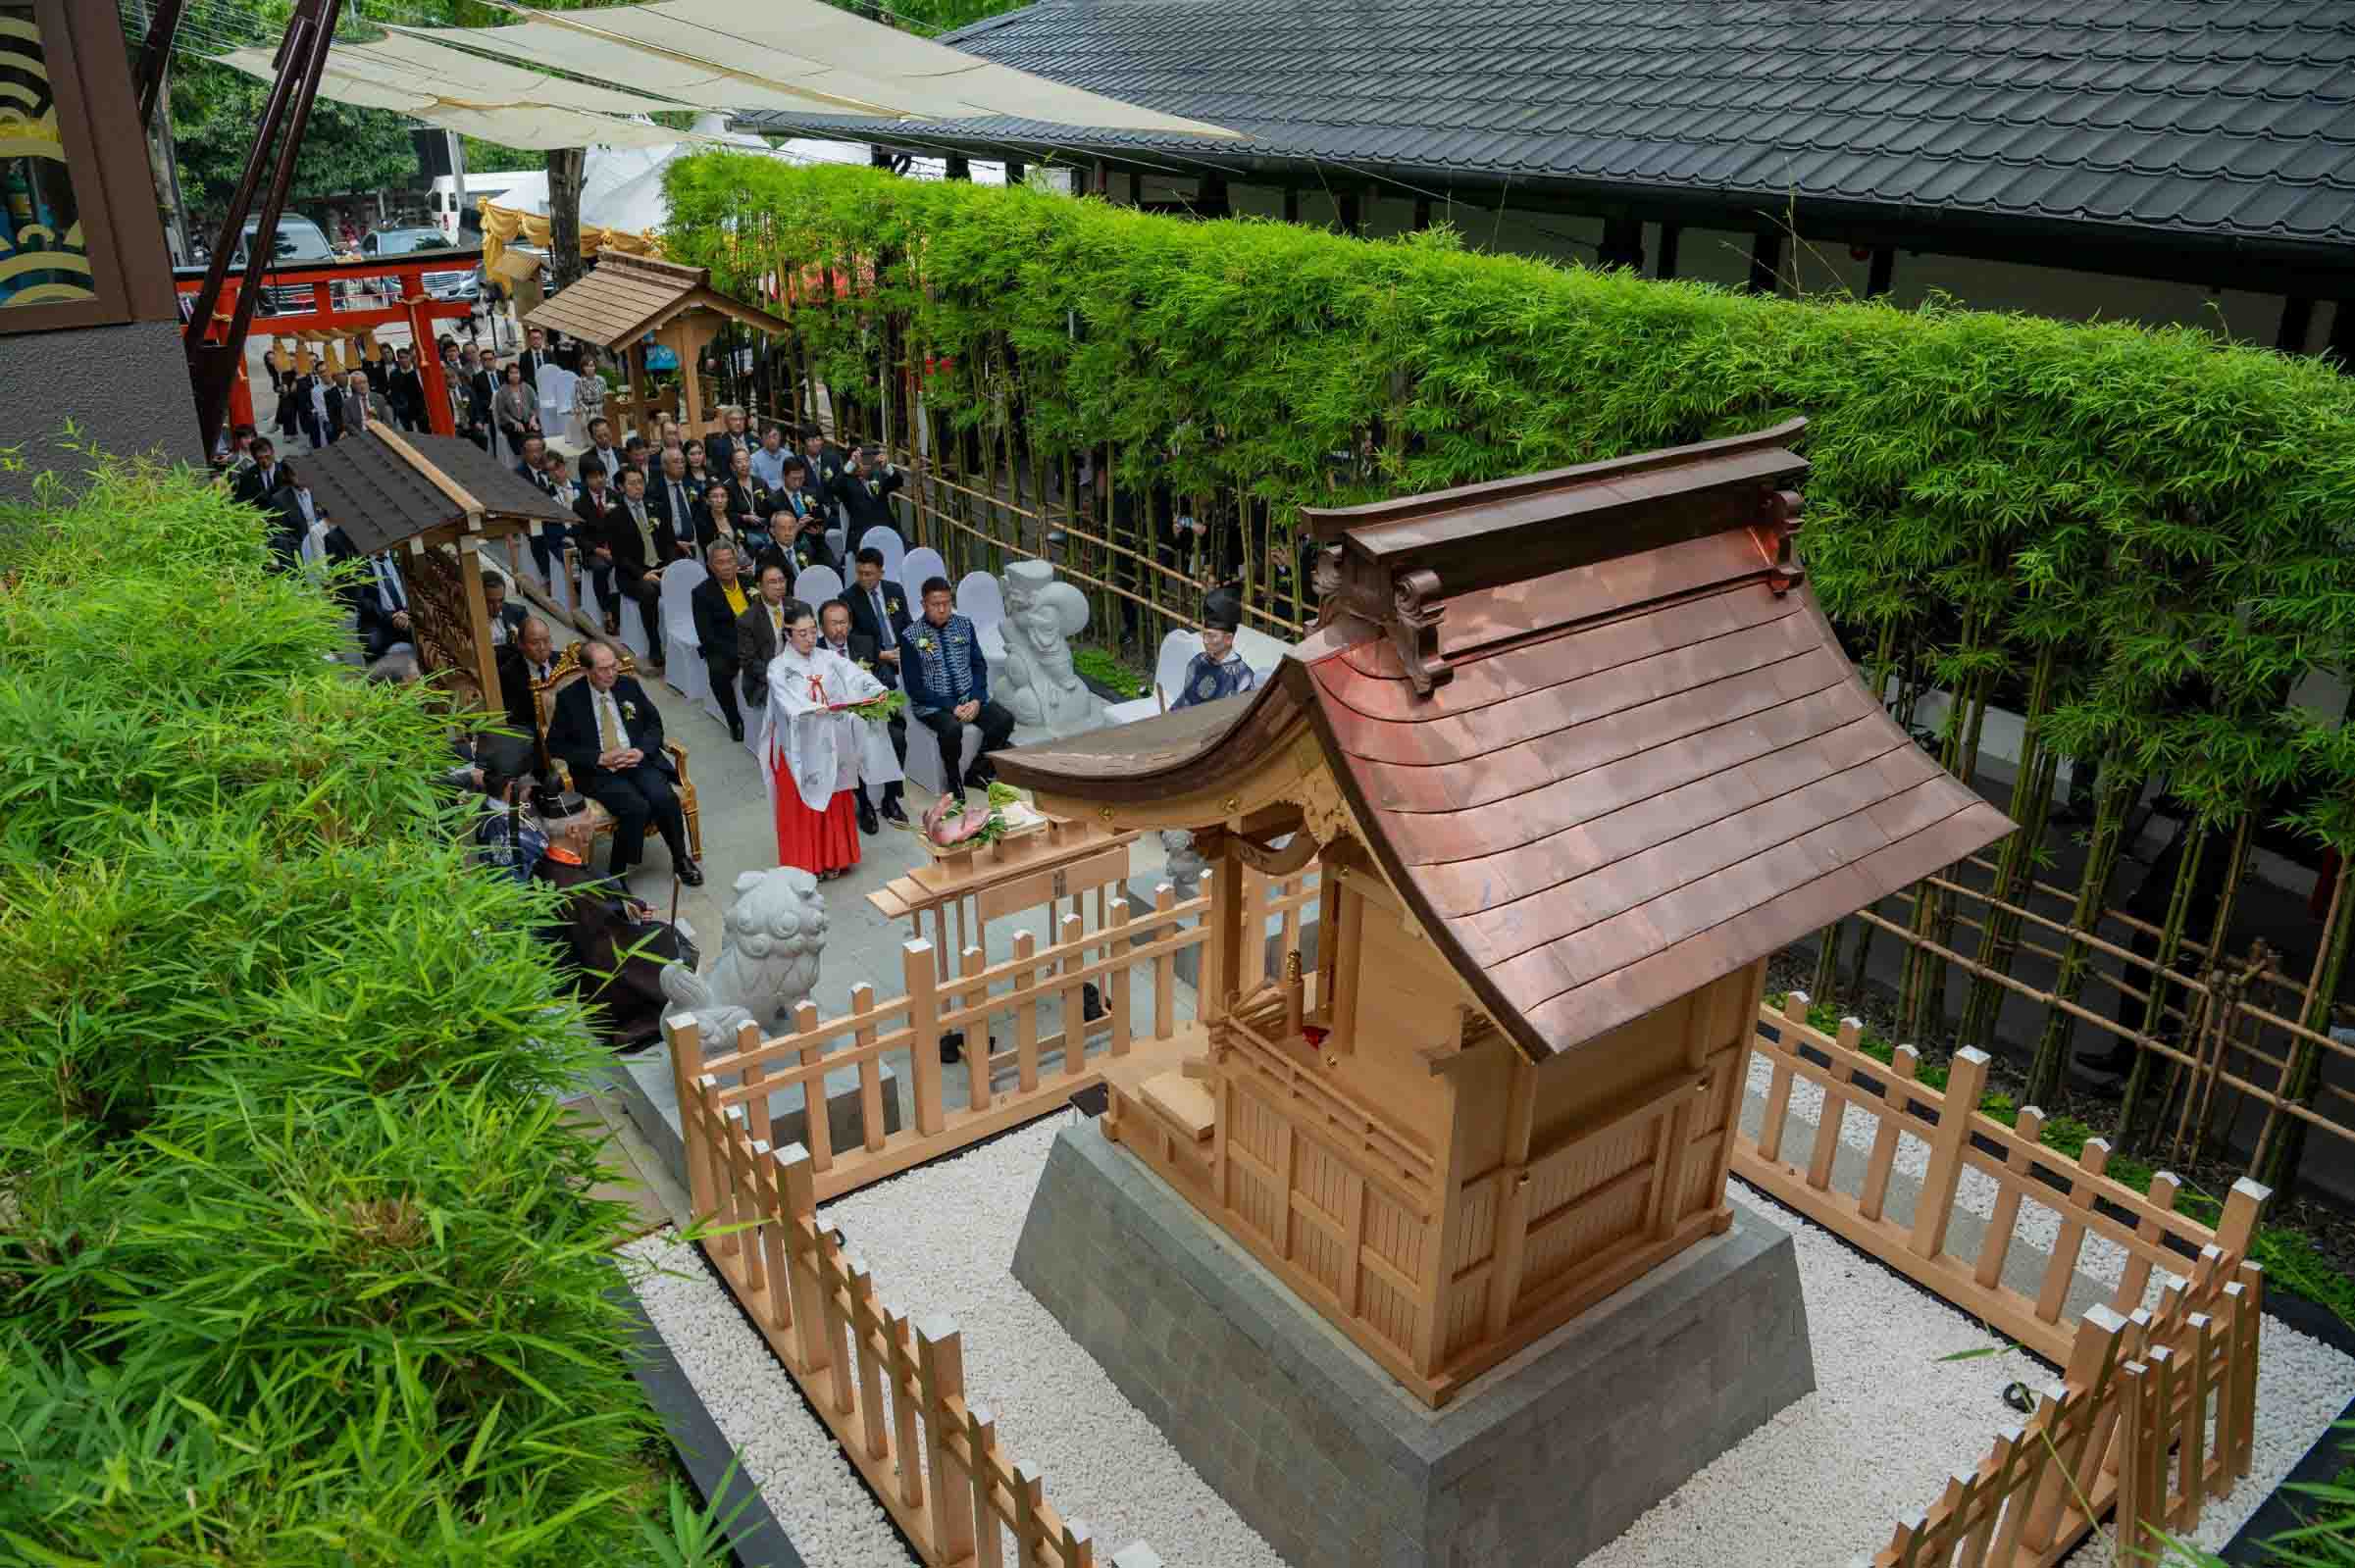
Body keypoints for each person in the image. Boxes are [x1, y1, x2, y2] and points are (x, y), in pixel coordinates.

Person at [531, 802, 692, 1049]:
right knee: (664, 938)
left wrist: (627, 905)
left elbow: (600, 898)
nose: (594, 823)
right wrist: (637, 925)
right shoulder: (573, 888)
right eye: (589, 819)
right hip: (594, 965)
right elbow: (605, 939)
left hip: (586, 942)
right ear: (573, 831)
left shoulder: (546, 865)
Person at [545, 639, 701, 885]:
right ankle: (616, 873)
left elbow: (654, 724)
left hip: (636, 760)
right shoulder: (569, 698)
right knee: (635, 807)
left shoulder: (628, 685)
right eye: (603, 669)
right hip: (598, 771)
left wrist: (640, 751)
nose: (611, 673)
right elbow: (555, 745)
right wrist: (598, 757)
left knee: (665, 797)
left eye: (613, 666)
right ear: (586, 671)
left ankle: (680, 859)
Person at [766, 599, 887, 880]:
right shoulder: (778, 667)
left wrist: (876, 690)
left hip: (831, 740)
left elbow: (855, 676)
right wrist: (813, 709)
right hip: (800, 746)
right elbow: (786, 701)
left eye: (813, 631)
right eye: (802, 633)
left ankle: (836, 858)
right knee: (805, 802)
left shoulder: (828, 657)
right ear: (787, 634)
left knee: (834, 797)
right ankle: (806, 864)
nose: (810, 638)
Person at [900, 576, 1014, 801]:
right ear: (924, 604)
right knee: (952, 729)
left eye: (946, 603)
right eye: (936, 604)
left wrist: (976, 699)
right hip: (933, 705)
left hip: (968, 697)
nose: (942, 609)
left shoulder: (964, 625)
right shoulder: (910, 636)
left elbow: (979, 665)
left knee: (1004, 720)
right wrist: (952, 707)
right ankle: (954, 779)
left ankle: (977, 770)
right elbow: (915, 688)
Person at [821, 596, 908, 832]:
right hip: (839, 719)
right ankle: (864, 803)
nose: (839, 629)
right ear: (822, 626)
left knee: (897, 737)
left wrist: (880, 696)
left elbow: (883, 676)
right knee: (849, 744)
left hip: (872, 712)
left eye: (843, 623)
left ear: (850, 624)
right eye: (833, 624)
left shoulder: (864, 643)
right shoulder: (817, 653)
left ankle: (890, 798)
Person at [597, 467, 666, 661]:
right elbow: (619, 556)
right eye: (632, 483)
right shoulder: (614, 516)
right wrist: (642, 574)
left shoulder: (656, 507)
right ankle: (655, 644)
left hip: (660, 567)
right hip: (631, 574)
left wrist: (669, 566)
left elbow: (668, 542)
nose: (638, 487)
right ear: (621, 487)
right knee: (649, 592)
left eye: (640, 482)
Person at [691, 540, 752, 742]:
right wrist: (739, 651)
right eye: (720, 562)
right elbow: (706, 636)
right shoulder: (701, 593)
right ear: (710, 565)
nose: (726, 566)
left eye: (730, 560)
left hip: (755, 640)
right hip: (725, 646)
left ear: (736, 562)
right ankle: (734, 720)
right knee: (718, 672)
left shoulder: (749, 582)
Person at [1170, 587, 1256, 709]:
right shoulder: (1198, 662)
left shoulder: (1242, 676)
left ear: (1228, 639)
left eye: (1212, 636)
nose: (1205, 641)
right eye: (1204, 635)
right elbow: (1185, 700)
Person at [494, 614, 559, 772]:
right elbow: (515, 721)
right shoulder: (508, 674)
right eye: (535, 643)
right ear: (521, 644)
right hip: (537, 742)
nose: (542, 647)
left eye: (546, 640)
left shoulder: (563, 661)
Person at [844, 546, 911, 682]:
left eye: (868, 574)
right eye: (859, 573)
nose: (863, 578)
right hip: (875, 655)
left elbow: (907, 622)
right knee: (888, 682)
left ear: (881, 573)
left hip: (900, 649)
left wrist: (906, 648)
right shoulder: (848, 598)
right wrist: (879, 654)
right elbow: (851, 637)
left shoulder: (895, 590)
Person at [737, 560, 794, 710]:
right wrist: (778, 677)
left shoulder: (798, 607)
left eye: (781, 580)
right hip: (765, 679)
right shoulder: (747, 620)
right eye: (772, 582)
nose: (779, 586)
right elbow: (749, 661)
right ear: (759, 586)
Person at [836, 442, 906, 555]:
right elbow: (836, 487)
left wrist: (886, 466)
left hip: (888, 532)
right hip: (862, 536)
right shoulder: (847, 483)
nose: (867, 463)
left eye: (869, 459)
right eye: (862, 459)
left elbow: (898, 481)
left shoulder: (878, 476)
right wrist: (851, 463)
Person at [649, 449, 708, 561]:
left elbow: (701, 513)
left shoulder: (692, 485)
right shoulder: (654, 490)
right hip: (669, 546)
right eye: (676, 462)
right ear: (664, 466)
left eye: (682, 461)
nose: (681, 465)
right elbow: (653, 525)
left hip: (695, 543)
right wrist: (673, 542)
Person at [721, 447, 775, 556]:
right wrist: (744, 517)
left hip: (765, 528)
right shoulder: (728, 487)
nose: (744, 464)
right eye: (739, 462)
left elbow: (772, 505)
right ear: (732, 467)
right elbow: (726, 514)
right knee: (757, 544)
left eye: (746, 460)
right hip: (744, 531)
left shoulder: (760, 483)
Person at [230, 437, 291, 509]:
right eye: (260, 458)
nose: (265, 461)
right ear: (254, 457)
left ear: (273, 452)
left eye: (267, 456)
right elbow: (242, 500)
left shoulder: (285, 471)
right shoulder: (247, 475)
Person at [493, 362, 538, 457]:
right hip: (509, 422)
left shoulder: (527, 387)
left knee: (536, 430)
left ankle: (536, 454)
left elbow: (535, 405)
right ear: (507, 375)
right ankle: (525, 456)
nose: (515, 375)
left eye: (517, 372)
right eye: (512, 373)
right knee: (520, 433)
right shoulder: (502, 391)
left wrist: (533, 418)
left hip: (527, 418)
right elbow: (501, 412)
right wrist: (515, 422)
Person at [482, 569, 529, 649]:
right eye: (490, 602)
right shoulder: (468, 620)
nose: (497, 606)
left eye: (501, 600)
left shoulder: (519, 613)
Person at [386, 345, 428, 431]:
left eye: (406, 357)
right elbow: (394, 394)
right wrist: (400, 408)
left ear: (410, 357)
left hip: (421, 410)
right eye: (401, 358)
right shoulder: (394, 374)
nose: (404, 360)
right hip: (404, 412)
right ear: (398, 359)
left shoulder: (417, 371)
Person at [704, 405, 752, 479]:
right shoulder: (718, 446)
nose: (738, 422)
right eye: (733, 419)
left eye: (741, 419)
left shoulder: (755, 440)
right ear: (726, 422)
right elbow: (720, 472)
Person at [584, 415, 623, 487]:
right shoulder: (586, 459)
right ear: (592, 437)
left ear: (611, 432)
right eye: (599, 437)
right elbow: (586, 485)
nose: (604, 439)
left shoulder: (622, 453)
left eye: (606, 434)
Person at [750, 423, 791, 490]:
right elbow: (754, 484)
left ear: (780, 436)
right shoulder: (754, 459)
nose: (772, 440)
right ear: (761, 439)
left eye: (775, 436)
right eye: (767, 437)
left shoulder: (788, 456)